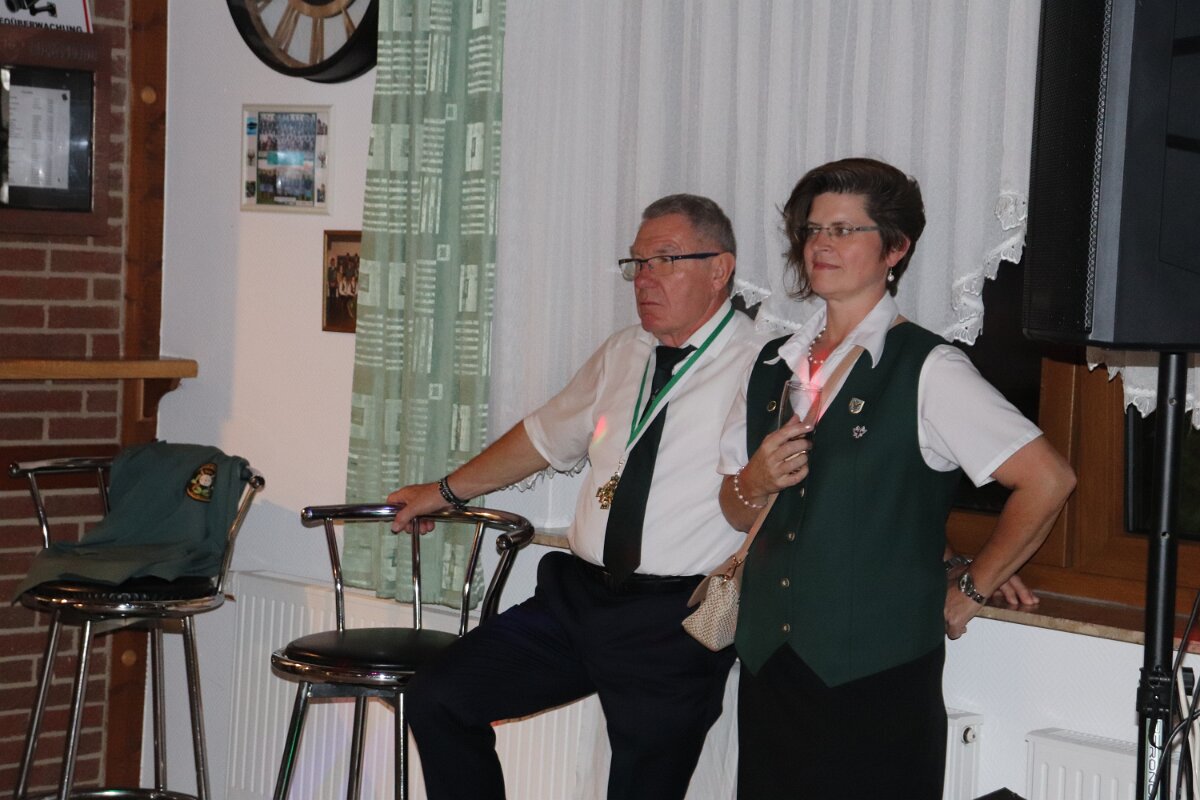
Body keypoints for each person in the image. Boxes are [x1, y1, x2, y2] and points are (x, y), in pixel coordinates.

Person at [717, 158, 1076, 799]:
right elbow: (735, 509)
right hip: (772, 667)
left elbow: (1048, 479)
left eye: (844, 229)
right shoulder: (773, 364)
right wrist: (756, 479)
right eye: (814, 229)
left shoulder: (929, 368)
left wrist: (972, 588)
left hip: (876, 677)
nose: (822, 244)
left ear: (896, 248)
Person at [387, 194, 765, 800]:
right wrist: (444, 492)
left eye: (665, 261)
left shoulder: (763, 365)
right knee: (439, 696)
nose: (644, 280)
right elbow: (543, 437)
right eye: (637, 263)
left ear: (720, 269)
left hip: (673, 623)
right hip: (577, 600)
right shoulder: (624, 352)